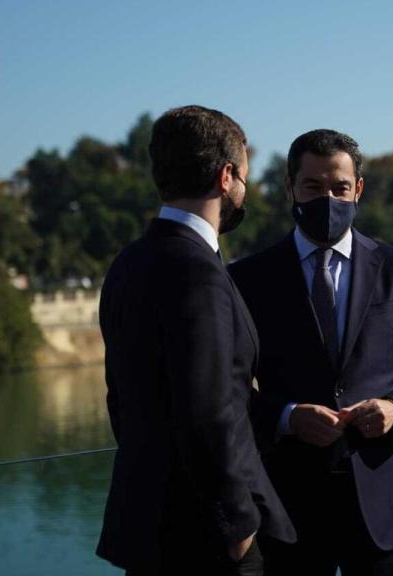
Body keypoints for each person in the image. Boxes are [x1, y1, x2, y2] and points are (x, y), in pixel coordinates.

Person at [228, 129, 393, 575]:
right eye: (313, 187)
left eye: (339, 188)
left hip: (385, 507)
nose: (327, 199)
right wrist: (288, 416)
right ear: (290, 187)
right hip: (287, 508)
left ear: (358, 190)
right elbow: (228, 391)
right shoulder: (248, 279)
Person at [96, 105, 295, 575]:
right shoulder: (197, 272)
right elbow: (207, 413)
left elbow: (121, 401)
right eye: (245, 177)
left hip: (148, 524)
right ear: (226, 177)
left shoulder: (129, 262)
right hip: (204, 538)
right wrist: (238, 529)